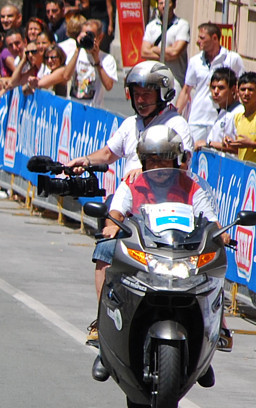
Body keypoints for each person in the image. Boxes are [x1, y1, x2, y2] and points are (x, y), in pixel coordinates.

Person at [90, 125, 232, 380]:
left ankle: (212, 333)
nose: (158, 166)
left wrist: (220, 233)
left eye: (164, 159)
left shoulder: (191, 186)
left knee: (217, 257)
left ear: (176, 160)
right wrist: (112, 226)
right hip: (143, 253)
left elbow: (211, 220)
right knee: (104, 250)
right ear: (143, 161)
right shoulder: (132, 182)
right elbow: (116, 213)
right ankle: (104, 332)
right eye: (152, 160)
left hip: (182, 254)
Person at [65, 61, 192, 341]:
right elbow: (108, 153)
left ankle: (214, 324)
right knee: (105, 247)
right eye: (136, 93)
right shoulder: (130, 124)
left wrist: (147, 173)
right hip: (130, 207)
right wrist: (84, 161)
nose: (141, 99)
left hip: (168, 208)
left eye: (147, 93)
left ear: (164, 93)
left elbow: (184, 164)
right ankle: (103, 320)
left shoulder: (177, 125)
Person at [176, 22, 245, 144]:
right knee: (194, 150)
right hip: (197, 119)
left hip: (222, 118)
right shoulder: (195, 61)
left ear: (214, 38)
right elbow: (186, 90)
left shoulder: (232, 58)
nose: (198, 41)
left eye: (202, 38)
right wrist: (176, 116)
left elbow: (241, 86)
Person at [61, 18, 117, 108]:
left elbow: (108, 86)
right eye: (85, 34)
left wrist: (97, 60)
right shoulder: (75, 54)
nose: (87, 38)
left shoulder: (107, 59)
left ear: (100, 37)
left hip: (93, 109)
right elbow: (66, 76)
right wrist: (78, 49)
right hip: (74, 106)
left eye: (90, 35)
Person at [140, 0, 190, 89]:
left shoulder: (182, 25)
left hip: (174, 81)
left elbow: (174, 53)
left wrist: (154, 49)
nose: (164, 6)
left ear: (174, 5)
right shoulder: (151, 26)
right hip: (154, 79)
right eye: (161, 3)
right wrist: (167, 54)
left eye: (167, 3)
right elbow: (144, 52)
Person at [193, 67, 241, 153]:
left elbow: (241, 149)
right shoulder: (222, 112)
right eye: (213, 87)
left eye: (221, 88)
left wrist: (209, 144)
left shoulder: (239, 112)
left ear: (233, 89)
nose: (216, 91)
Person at [225, 72, 256, 163]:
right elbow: (238, 148)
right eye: (243, 89)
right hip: (244, 168)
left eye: (250, 89)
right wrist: (229, 142)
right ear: (237, 92)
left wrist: (252, 144)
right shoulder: (237, 117)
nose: (246, 93)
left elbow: (249, 144)